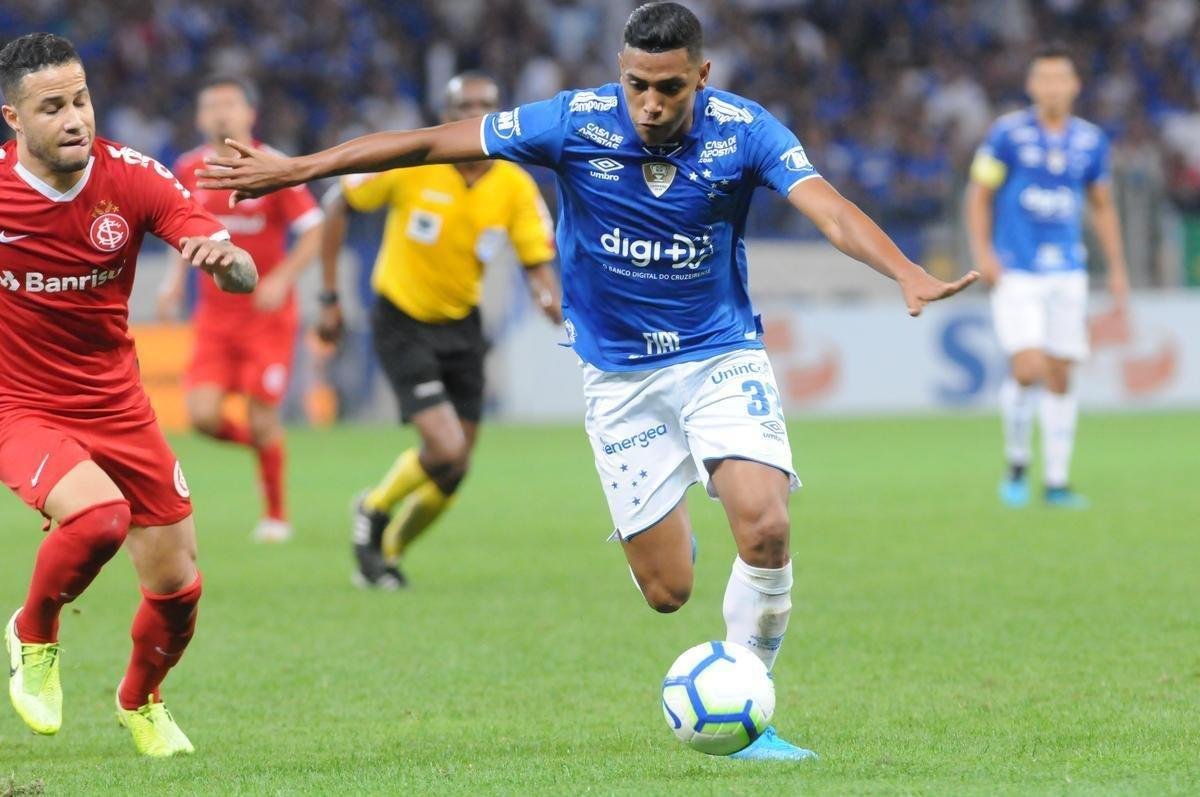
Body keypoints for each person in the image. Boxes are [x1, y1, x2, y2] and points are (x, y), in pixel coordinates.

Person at [196, 1, 975, 759]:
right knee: (668, 589)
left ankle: (750, 700)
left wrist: (903, 270)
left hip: (718, 354)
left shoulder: (746, 130)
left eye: (670, 86)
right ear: (620, 72)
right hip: (619, 377)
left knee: (766, 526)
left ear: (702, 76)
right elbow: (435, 142)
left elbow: (828, 209)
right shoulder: (575, 121)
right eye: (638, 83)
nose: (651, 102)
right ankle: (682, 516)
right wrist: (301, 166)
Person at [0, 33, 257, 757]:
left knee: (179, 589)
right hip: (20, 404)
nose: (75, 117)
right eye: (52, 107)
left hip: (117, 403)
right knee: (100, 518)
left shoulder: (134, 177)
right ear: (14, 120)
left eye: (80, 99)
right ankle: (33, 631)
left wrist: (227, 261)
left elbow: (234, 267)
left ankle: (140, 700)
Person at [318, 72, 560, 589]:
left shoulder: (514, 183)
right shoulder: (414, 162)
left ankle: (386, 553)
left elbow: (535, 256)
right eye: (463, 105)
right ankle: (374, 507)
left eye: (486, 105)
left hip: (462, 324)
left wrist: (546, 295)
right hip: (402, 318)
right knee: (446, 449)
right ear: (445, 115)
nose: (474, 112)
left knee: (455, 469)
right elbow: (337, 203)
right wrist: (330, 295)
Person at [159, 76, 323, 542]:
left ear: (250, 114)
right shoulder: (189, 168)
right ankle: (265, 452)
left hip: (267, 317)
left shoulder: (270, 167)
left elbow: (314, 227)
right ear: (198, 117)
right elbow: (178, 227)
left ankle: (276, 516)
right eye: (211, 106)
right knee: (203, 417)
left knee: (262, 415)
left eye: (230, 104)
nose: (221, 113)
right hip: (214, 318)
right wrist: (173, 284)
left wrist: (282, 278)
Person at [966, 43, 1129, 509]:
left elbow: (1102, 207)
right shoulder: (1007, 135)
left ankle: (1056, 481)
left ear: (1075, 86)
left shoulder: (1091, 141)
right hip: (1018, 271)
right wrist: (985, 253)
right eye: (1045, 78)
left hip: (1068, 271)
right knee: (1028, 367)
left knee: (1061, 375)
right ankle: (1017, 461)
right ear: (1032, 85)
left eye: (1062, 78)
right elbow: (978, 195)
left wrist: (1117, 270)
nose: (1053, 87)